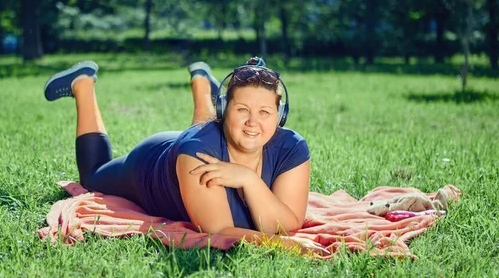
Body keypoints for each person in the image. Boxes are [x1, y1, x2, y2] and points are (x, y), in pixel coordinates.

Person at [44, 57, 326, 254]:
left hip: (197, 141)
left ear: (280, 115)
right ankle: (83, 84)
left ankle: (201, 83)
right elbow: (218, 229)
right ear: (225, 110)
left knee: (212, 137)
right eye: (242, 110)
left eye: (265, 112)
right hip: (150, 167)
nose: (254, 121)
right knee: (93, 175)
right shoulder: (197, 151)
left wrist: (249, 180)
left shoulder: (292, 147)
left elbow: (286, 224)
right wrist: (284, 246)